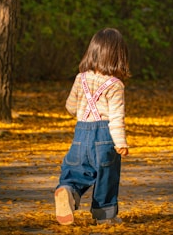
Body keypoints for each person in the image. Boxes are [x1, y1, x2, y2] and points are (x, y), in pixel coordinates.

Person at [54, 27, 130, 226]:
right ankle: (105, 217)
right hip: (104, 136)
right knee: (107, 174)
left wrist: (81, 113)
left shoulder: (81, 78)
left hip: (81, 133)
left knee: (77, 169)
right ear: (118, 56)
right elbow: (116, 117)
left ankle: (68, 191)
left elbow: (70, 106)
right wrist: (121, 143)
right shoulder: (115, 85)